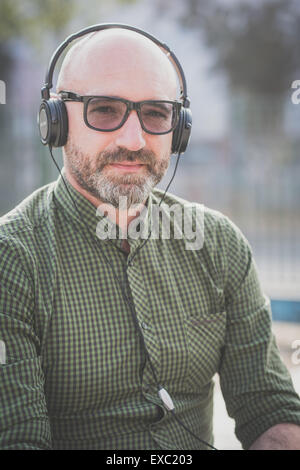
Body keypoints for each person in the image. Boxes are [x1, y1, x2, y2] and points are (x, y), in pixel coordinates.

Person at [0, 24, 300, 451]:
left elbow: (271, 410)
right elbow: (19, 438)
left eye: (156, 113)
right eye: (104, 110)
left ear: (179, 130)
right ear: (54, 121)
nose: (134, 139)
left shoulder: (219, 245)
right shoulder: (12, 259)